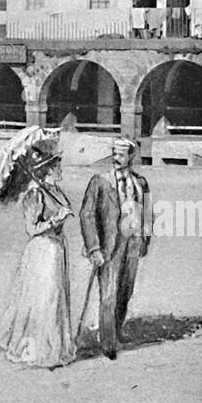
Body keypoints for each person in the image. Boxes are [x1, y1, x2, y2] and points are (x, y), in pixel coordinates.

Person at [0, 147, 77, 369]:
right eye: (56, 165)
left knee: (55, 297)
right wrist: (56, 219)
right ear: (46, 169)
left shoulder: (55, 191)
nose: (60, 169)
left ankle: (55, 347)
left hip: (57, 250)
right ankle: (36, 348)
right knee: (44, 298)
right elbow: (32, 228)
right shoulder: (35, 194)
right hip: (42, 251)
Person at [76, 137, 153, 360]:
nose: (115, 158)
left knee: (125, 292)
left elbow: (147, 211)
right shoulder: (100, 181)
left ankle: (117, 331)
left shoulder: (141, 183)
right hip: (109, 246)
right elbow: (87, 214)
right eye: (114, 153)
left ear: (131, 157)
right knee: (108, 294)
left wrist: (145, 239)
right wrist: (93, 248)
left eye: (120, 154)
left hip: (132, 243)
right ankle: (108, 343)